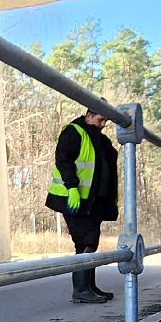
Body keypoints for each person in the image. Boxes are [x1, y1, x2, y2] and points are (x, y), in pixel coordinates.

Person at [44, 108, 119, 303]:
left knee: (90, 243)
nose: (103, 124)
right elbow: (63, 159)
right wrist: (72, 188)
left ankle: (88, 287)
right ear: (88, 116)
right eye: (100, 119)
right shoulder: (74, 132)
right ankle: (81, 289)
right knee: (86, 241)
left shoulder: (97, 138)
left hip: (92, 201)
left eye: (105, 121)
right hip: (74, 199)